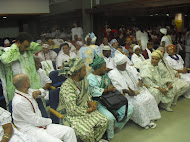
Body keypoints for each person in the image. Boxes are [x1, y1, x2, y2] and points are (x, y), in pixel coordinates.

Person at [12, 74, 77, 142]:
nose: (29, 80)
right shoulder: (19, 102)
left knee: (69, 131)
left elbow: (44, 93)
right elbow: (34, 120)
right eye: (28, 79)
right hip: (30, 129)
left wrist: (39, 92)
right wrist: (50, 121)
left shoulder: (28, 91)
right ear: (25, 84)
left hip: (41, 124)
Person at [57, 57, 108, 142]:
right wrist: (88, 110)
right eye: (84, 70)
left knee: (104, 121)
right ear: (77, 73)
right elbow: (72, 110)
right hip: (71, 115)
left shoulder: (83, 80)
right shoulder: (67, 88)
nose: (86, 73)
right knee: (86, 132)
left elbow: (86, 93)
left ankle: (94, 140)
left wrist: (90, 101)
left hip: (84, 108)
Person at [108, 51, 161, 129]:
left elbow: (138, 75)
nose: (124, 66)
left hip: (138, 90)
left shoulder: (130, 68)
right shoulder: (112, 73)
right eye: (122, 65)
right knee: (138, 103)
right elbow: (116, 87)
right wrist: (127, 91)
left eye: (125, 64)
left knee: (150, 98)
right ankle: (145, 122)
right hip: (126, 95)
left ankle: (151, 117)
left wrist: (140, 80)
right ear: (117, 65)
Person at [87, 54, 133, 140]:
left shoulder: (104, 75)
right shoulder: (91, 78)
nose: (106, 69)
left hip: (111, 99)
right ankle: (110, 136)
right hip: (99, 102)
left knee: (129, 109)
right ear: (98, 68)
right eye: (104, 67)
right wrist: (107, 89)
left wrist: (112, 88)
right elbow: (93, 92)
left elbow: (111, 85)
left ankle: (116, 126)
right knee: (110, 118)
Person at [0, 32, 43, 103]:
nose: (27, 48)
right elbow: (5, 60)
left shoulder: (28, 52)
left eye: (28, 46)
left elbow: (38, 47)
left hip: (30, 86)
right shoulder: (9, 52)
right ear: (18, 43)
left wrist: (28, 45)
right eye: (25, 46)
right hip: (16, 89)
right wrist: (15, 46)